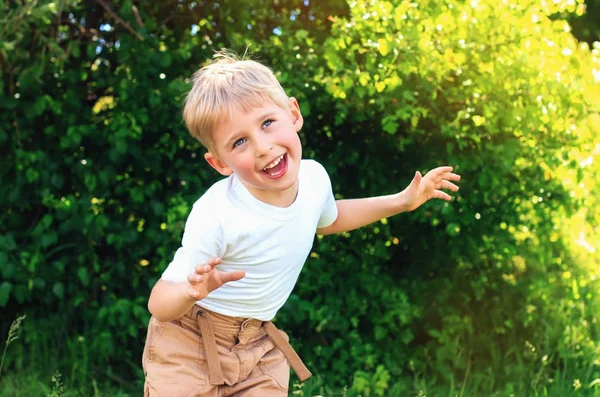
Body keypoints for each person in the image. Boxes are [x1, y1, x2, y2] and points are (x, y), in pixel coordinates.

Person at [142, 50, 460, 397]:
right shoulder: (217, 214)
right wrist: (192, 291)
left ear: (293, 113)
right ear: (220, 163)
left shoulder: (313, 179)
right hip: (187, 341)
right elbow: (159, 303)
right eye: (240, 142)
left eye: (267, 123)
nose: (263, 147)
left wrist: (402, 201)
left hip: (257, 342)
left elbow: (329, 218)